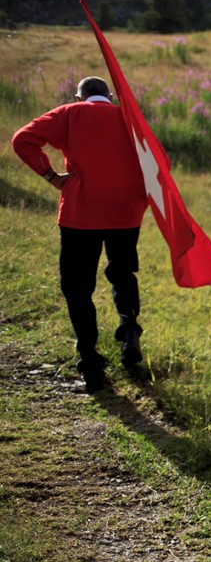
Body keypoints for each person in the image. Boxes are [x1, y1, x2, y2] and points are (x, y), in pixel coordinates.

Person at [12, 76, 148, 391]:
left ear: (79, 97)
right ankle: (129, 331)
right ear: (109, 96)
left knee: (77, 287)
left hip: (80, 214)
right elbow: (158, 161)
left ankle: (91, 362)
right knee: (123, 273)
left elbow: (22, 139)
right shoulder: (129, 118)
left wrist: (52, 177)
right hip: (125, 213)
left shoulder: (69, 114)